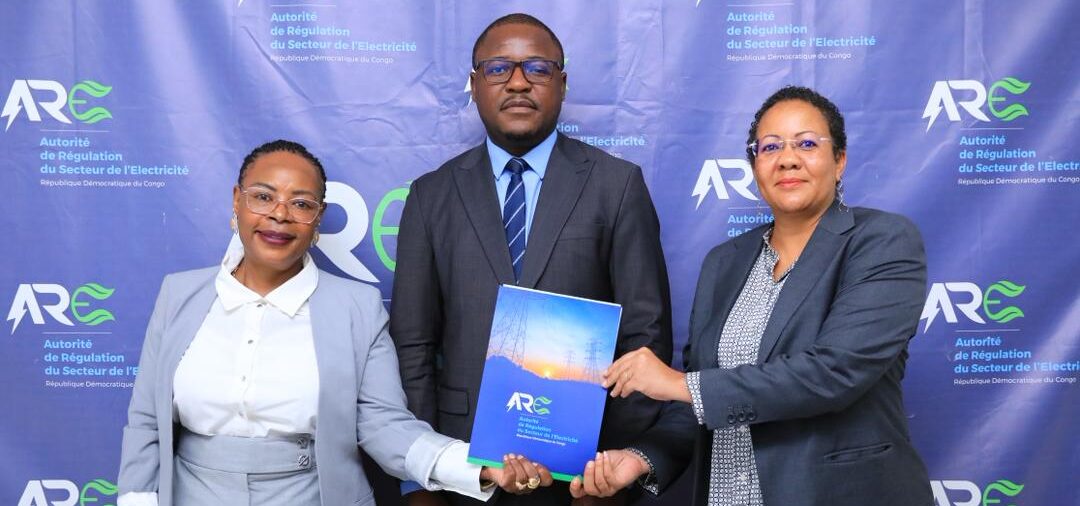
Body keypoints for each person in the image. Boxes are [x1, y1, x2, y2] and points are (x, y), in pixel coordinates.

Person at [116, 140, 553, 506]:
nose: (280, 214)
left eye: (300, 204)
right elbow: (146, 423)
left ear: (318, 220)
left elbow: (386, 427)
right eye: (263, 196)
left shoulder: (356, 307)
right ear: (237, 200)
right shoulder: (178, 294)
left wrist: (478, 467)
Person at [569, 86, 934, 505]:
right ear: (755, 165)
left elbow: (833, 372)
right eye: (771, 146)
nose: (788, 158)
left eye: (807, 144)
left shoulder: (882, 241)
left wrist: (677, 383)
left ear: (840, 161)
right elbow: (697, 401)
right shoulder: (724, 263)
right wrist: (640, 458)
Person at [391, 13, 672, 506]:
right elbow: (413, 345)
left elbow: (644, 337)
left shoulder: (616, 185)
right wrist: (422, 480)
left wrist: (610, 470)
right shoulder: (431, 195)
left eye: (538, 68)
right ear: (474, 83)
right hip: (463, 472)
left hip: (585, 476)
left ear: (562, 84)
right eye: (499, 68)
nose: (518, 82)